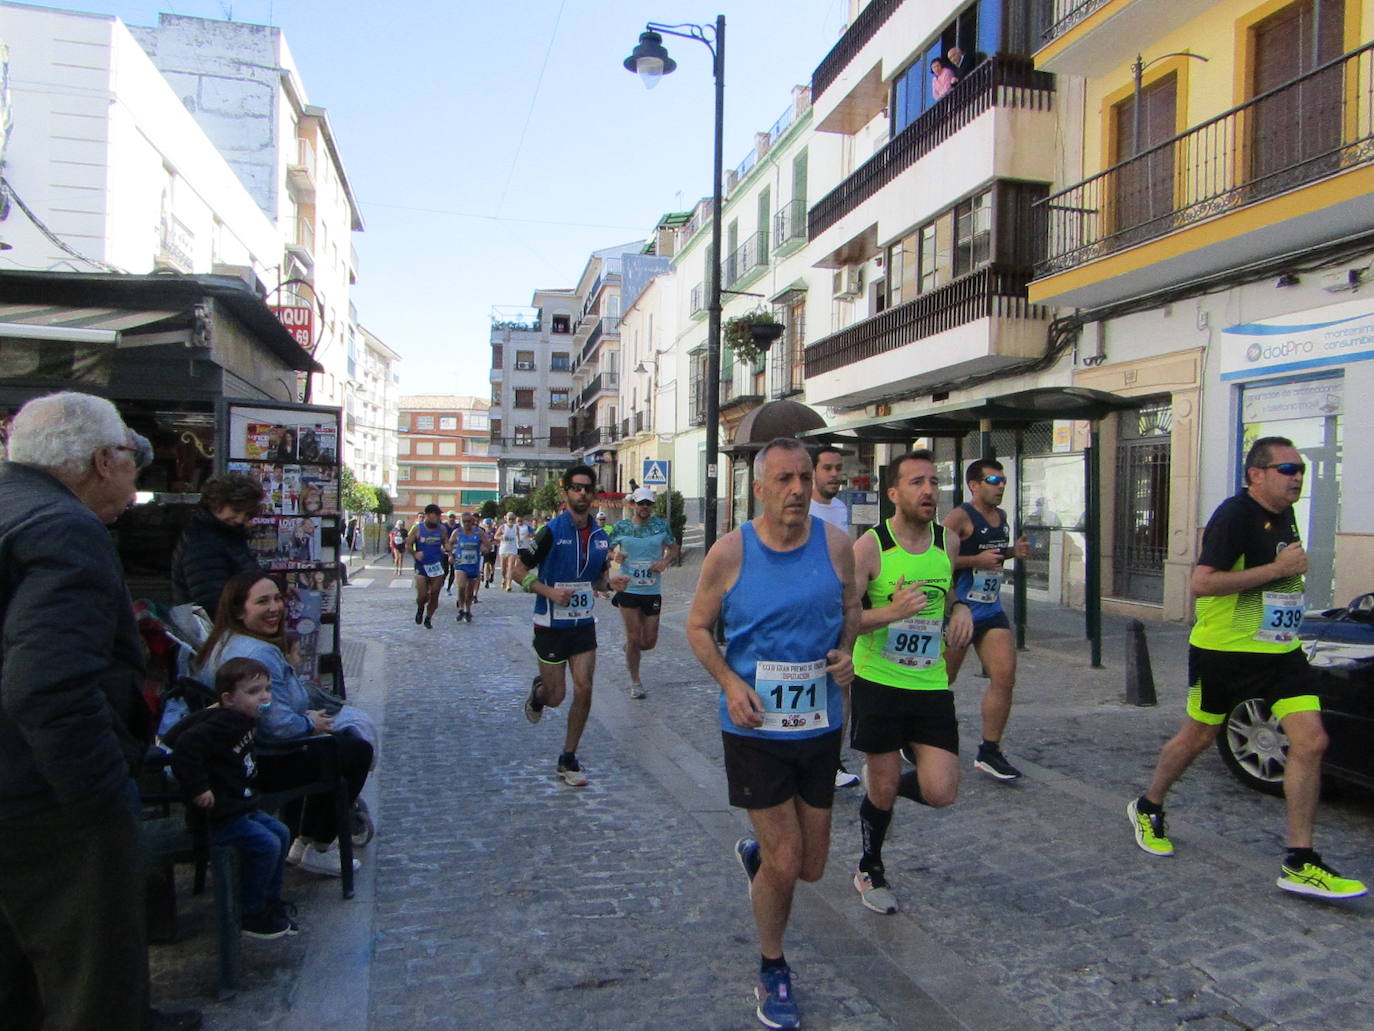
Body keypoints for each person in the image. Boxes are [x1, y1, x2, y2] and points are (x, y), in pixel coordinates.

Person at [0, 391, 200, 1031]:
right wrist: (101, 798)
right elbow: (46, 684)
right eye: (131, 457)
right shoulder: (64, 528)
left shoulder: (16, 507)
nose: (136, 472)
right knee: (91, 982)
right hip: (44, 803)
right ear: (101, 460)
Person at [1128, 437, 1366, 900]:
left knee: (1312, 741)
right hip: (1225, 652)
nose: (1297, 476)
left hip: (1279, 651)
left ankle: (1300, 860)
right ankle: (1148, 803)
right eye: (1287, 469)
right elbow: (1203, 583)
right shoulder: (1234, 515)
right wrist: (1278, 571)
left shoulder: (1282, 513)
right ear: (1256, 474)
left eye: (1299, 469)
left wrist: (1287, 577)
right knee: (1197, 737)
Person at [685, 437, 860, 1031]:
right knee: (788, 862)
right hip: (754, 727)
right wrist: (731, 682)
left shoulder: (836, 546)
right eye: (783, 479)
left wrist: (846, 654)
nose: (797, 490)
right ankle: (773, 966)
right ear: (758, 488)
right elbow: (699, 627)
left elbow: (852, 608)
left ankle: (760, 858)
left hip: (818, 726)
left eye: (804, 478)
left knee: (809, 867)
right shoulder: (730, 553)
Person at [848, 450, 973, 915]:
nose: (928, 490)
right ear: (893, 493)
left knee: (942, 791)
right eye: (917, 482)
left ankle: (882, 786)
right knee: (881, 787)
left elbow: (950, 593)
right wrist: (892, 612)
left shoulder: (948, 543)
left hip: (930, 684)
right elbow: (846, 619)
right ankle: (869, 867)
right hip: (878, 682)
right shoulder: (871, 547)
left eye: (934, 481)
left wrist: (960, 611)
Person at [195, 570, 374, 877]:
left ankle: (304, 841)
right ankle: (320, 844)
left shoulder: (223, 641)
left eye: (277, 598)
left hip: (236, 756)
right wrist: (309, 723)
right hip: (260, 760)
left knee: (340, 742)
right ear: (240, 610)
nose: (275, 608)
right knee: (354, 749)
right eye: (262, 601)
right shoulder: (256, 653)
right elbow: (276, 726)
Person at [164, 657, 299, 939]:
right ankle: (250, 912)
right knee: (267, 844)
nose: (264, 697)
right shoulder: (222, 723)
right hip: (220, 815)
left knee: (281, 833)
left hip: (242, 805)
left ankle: (270, 902)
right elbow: (184, 747)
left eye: (267, 689)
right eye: (253, 692)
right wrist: (199, 788)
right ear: (228, 698)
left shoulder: (245, 719)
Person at [516, 465, 628, 787]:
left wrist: (610, 583)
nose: (582, 494)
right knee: (556, 696)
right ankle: (539, 694)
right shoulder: (550, 531)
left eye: (587, 489)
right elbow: (518, 571)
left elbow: (597, 579)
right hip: (550, 624)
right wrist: (549, 592)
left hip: (582, 624)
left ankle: (568, 757)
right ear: (566, 493)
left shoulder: (600, 537)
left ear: (593, 495)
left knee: (585, 688)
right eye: (576, 488)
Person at [941, 459, 1031, 781]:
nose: (1001, 485)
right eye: (993, 480)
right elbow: (937, 559)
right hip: (960, 610)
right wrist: (973, 560)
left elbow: (992, 553)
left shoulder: (1001, 517)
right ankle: (913, 736)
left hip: (990, 608)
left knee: (1005, 676)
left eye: (1003, 480)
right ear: (974, 485)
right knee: (941, 681)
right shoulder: (960, 517)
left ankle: (989, 751)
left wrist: (1012, 552)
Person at [809, 447, 859, 788]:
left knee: (842, 686)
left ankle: (832, 761)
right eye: (827, 467)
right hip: (807, 610)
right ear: (813, 471)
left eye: (838, 468)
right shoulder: (804, 508)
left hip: (837, 607)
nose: (834, 474)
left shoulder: (842, 509)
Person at [608, 487, 679, 699]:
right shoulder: (621, 527)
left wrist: (665, 561)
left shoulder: (660, 526)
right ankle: (635, 682)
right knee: (633, 635)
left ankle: (631, 648)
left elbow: (674, 549)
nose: (645, 507)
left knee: (648, 641)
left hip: (652, 589)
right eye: (641, 504)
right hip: (628, 588)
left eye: (648, 504)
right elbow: (604, 547)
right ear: (633, 505)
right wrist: (615, 555)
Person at [170, 471, 266, 618]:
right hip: (219, 628)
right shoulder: (202, 541)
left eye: (247, 514)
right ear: (217, 503)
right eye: (236, 510)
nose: (240, 519)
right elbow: (211, 601)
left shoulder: (226, 533)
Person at [406, 504, 447, 628]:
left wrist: (449, 549)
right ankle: (420, 607)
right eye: (437, 515)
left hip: (436, 566)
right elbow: (408, 544)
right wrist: (414, 553)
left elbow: (446, 543)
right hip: (422, 566)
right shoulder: (417, 529)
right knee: (422, 595)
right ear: (429, 515)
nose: (439, 517)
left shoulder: (441, 529)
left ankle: (428, 618)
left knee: (434, 594)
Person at [447, 512, 485, 623]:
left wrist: (484, 548)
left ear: (473, 522)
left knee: (469, 592)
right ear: (461, 522)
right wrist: (450, 555)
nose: (467, 524)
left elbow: (488, 545)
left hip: (473, 564)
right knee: (461, 586)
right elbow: (448, 544)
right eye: (464, 521)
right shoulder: (457, 532)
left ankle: (468, 610)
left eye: (469, 521)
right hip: (460, 563)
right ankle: (460, 609)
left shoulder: (479, 532)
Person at [498, 511, 522, 590]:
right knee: (503, 569)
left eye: (513, 518)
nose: (511, 520)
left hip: (512, 549)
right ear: (506, 518)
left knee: (511, 567)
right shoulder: (503, 527)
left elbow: (518, 537)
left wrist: (519, 543)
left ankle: (509, 584)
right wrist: (501, 537)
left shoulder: (516, 527)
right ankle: (504, 578)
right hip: (503, 550)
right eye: (510, 518)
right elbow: (495, 536)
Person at [441, 511, 460, 594]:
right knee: (445, 571)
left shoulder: (458, 527)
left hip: (455, 551)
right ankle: (440, 585)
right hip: (445, 551)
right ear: (447, 517)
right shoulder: (443, 526)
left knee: (453, 571)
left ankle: (449, 588)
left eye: (453, 517)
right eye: (450, 517)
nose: (451, 518)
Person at [480, 517, 499, 587]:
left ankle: (492, 574)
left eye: (489, 524)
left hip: (493, 549)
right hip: (485, 549)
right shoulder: (482, 531)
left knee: (492, 564)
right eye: (487, 524)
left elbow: (497, 539)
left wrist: (494, 542)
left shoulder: (495, 531)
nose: (488, 525)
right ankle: (486, 580)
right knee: (486, 563)